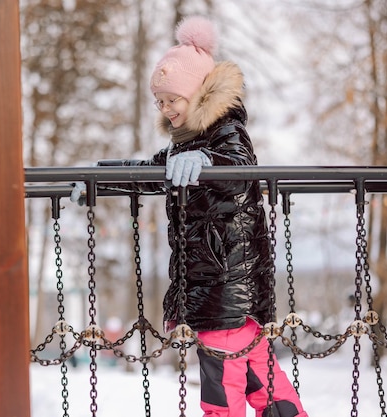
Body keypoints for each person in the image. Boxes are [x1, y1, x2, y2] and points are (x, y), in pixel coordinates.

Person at [72, 16, 307, 417]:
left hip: (224, 284)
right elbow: (148, 174)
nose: (166, 109)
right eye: (159, 102)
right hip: (227, 287)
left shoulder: (225, 132)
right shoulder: (184, 145)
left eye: (172, 100)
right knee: (260, 378)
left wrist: (207, 161)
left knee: (220, 386)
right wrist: (101, 180)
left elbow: (239, 170)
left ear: (198, 94)